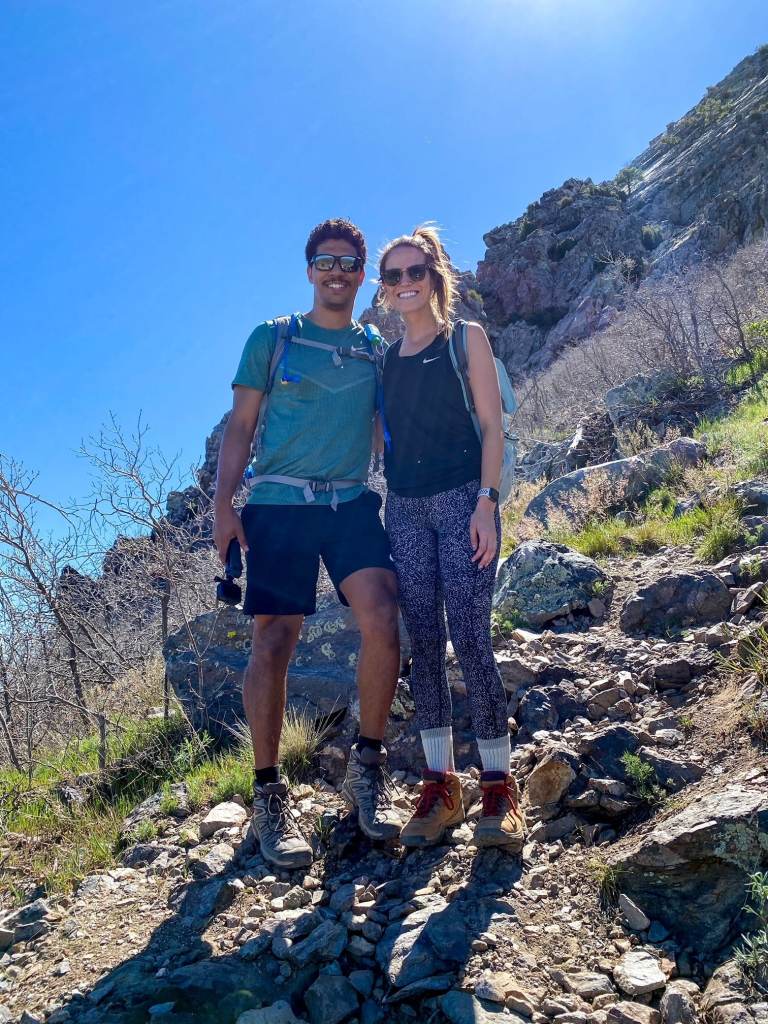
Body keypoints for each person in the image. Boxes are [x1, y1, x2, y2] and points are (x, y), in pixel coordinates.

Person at [214, 218, 402, 869]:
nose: (338, 271)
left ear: (361, 273)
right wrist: (222, 506)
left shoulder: (375, 348)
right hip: (277, 501)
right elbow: (240, 428)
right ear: (309, 269)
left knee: (381, 618)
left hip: (350, 500)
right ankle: (269, 794)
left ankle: (367, 771)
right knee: (274, 638)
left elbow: (392, 428)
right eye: (327, 260)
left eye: (350, 262)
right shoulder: (273, 338)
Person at [378, 224, 527, 851]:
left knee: (469, 637)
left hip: (464, 499)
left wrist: (487, 504)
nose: (406, 284)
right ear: (383, 290)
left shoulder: (467, 340)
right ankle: (441, 785)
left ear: (437, 276)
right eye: (394, 276)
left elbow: (492, 428)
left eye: (417, 272)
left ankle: (499, 785)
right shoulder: (385, 359)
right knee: (425, 643)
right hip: (404, 510)